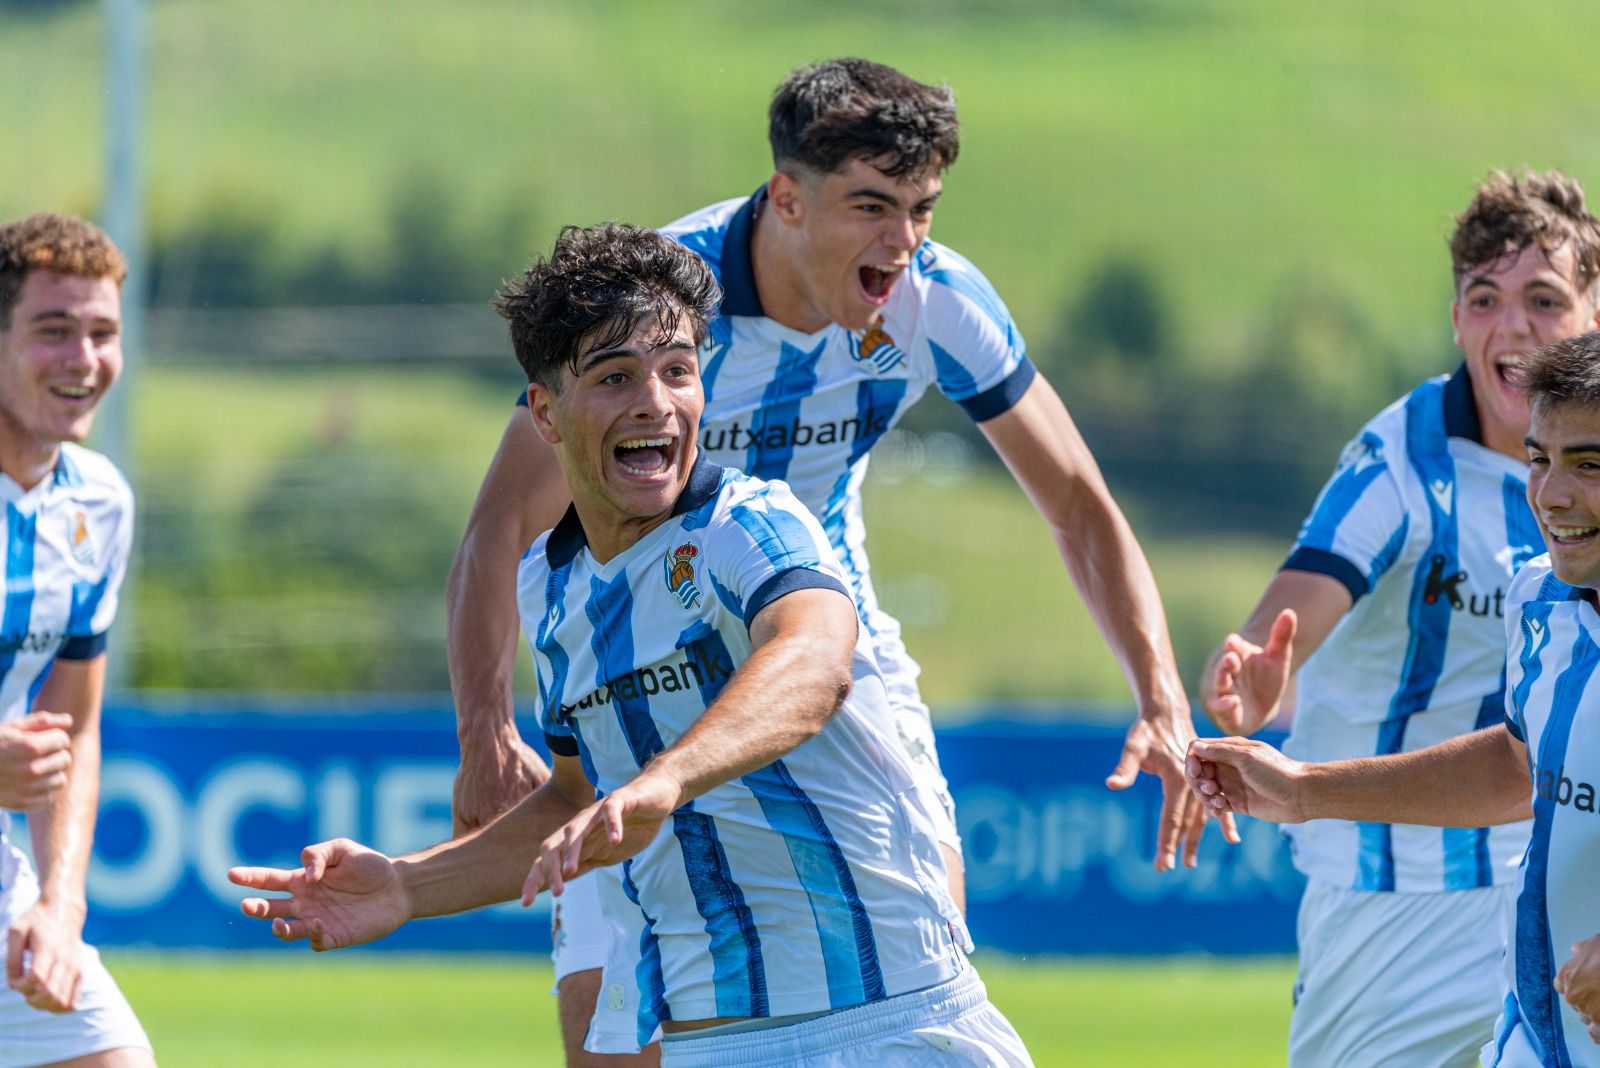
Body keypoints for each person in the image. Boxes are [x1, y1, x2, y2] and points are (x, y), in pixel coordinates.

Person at [447, 57, 1214, 1063]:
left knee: (923, 939)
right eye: (871, 207)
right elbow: (500, 523)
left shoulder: (938, 301)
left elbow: (1077, 501)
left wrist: (1161, 698)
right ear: (786, 200)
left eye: (921, 209)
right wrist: (483, 730)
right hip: (640, 647)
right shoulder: (663, 308)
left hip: (820, 624)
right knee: (607, 1029)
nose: (903, 242)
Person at [231, 223, 1033, 1068]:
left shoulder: (748, 523)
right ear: (545, 412)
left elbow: (815, 660)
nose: (656, 402)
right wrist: (406, 885)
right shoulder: (550, 589)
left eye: (679, 370)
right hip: (712, 1045)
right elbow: (577, 803)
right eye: (616, 376)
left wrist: (666, 780)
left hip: (892, 1026)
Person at [1198, 170, 1600, 1066]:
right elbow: (1297, 604)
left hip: (1541, 872)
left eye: (1543, 299)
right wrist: (1257, 675)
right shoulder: (1402, 463)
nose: (1513, 327)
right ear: (1456, 320)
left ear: (1593, 314)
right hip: (1389, 895)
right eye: (1485, 300)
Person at [0, 214, 153, 1067]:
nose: (84, 358)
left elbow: (74, 727)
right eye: (53, 330)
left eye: (103, 333)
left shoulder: (99, 503)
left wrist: (60, 907)